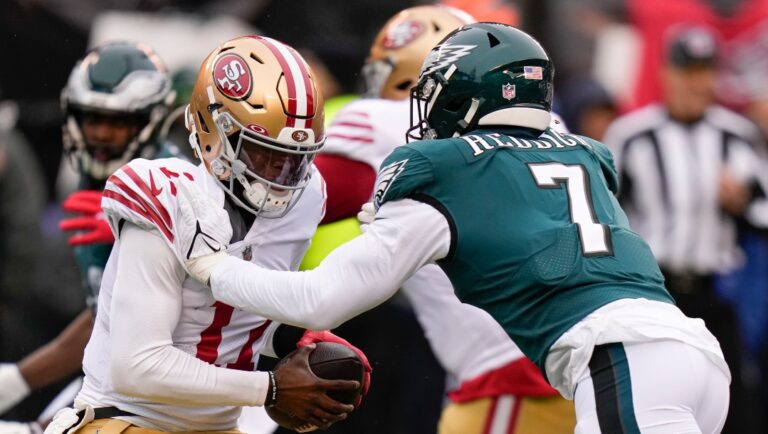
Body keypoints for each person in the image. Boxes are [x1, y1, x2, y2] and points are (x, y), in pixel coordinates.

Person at [183, 23, 731, 433]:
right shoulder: (583, 153)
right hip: (695, 356)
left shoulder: (445, 167)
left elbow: (319, 299)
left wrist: (211, 267)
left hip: (621, 361)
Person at [44, 35, 368, 434]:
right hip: (125, 419)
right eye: (264, 154)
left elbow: (231, 326)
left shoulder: (307, 196)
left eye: (293, 161)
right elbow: (138, 367)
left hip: (217, 424)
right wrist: (269, 388)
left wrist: (292, 338)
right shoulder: (169, 196)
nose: (280, 177)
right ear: (214, 132)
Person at [313, 6, 574, 433]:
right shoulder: (553, 130)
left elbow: (292, 203)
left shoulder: (389, 123)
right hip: (581, 362)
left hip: (515, 376)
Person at [0, 41, 178, 431]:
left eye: (116, 122)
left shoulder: (172, 184)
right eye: (91, 119)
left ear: (151, 118)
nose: (99, 134)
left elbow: (129, 326)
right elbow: (104, 319)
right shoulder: (95, 180)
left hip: (176, 379)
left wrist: (21, 379)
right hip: (122, 369)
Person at [604, 26, 768, 433]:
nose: (698, 82)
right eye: (688, 71)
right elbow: (607, 216)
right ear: (667, 73)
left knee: (732, 406)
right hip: (657, 291)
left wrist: (742, 204)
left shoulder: (736, 135)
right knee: (662, 402)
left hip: (718, 292)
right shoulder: (632, 136)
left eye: (705, 71)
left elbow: (764, 214)